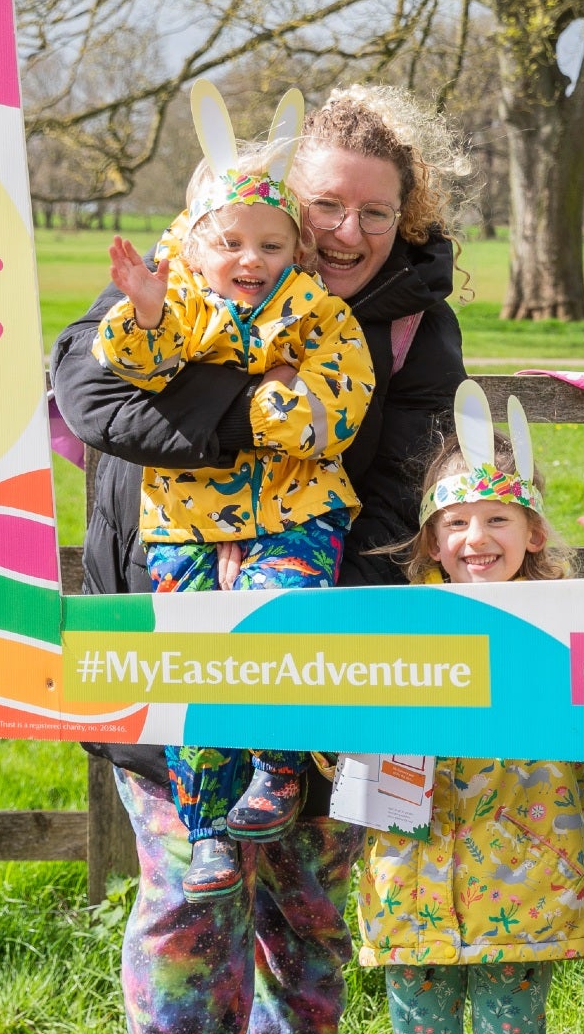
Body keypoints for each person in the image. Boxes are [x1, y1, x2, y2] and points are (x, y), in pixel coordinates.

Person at [60, 85, 469, 1034]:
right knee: (193, 883)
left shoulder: (406, 330)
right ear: (284, 201)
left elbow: (392, 494)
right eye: (328, 205)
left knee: (307, 901)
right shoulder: (198, 264)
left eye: (374, 216)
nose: (347, 232)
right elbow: (93, 394)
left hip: (331, 644)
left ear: (407, 217)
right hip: (168, 621)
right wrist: (256, 422)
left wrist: (320, 663)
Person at [355, 389, 584, 1034]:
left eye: (498, 517)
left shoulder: (571, 619)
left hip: (522, 904)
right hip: (413, 902)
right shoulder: (391, 630)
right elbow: (329, 735)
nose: (476, 538)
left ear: (533, 531)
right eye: (456, 521)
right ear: (430, 539)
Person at [91, 147, 373, 898]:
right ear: (195, 244)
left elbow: (334, 413)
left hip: (297, 512)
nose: (251, 260)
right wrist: (147, 313)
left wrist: (230, 403)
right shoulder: (176, 304)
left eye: (271, 244)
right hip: (184, 520)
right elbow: (136, 374)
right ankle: (207, 827)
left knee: (282, 624)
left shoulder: (319, 314)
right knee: (193, 664)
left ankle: (279, 771)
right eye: (231, 243)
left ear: (297, 249)